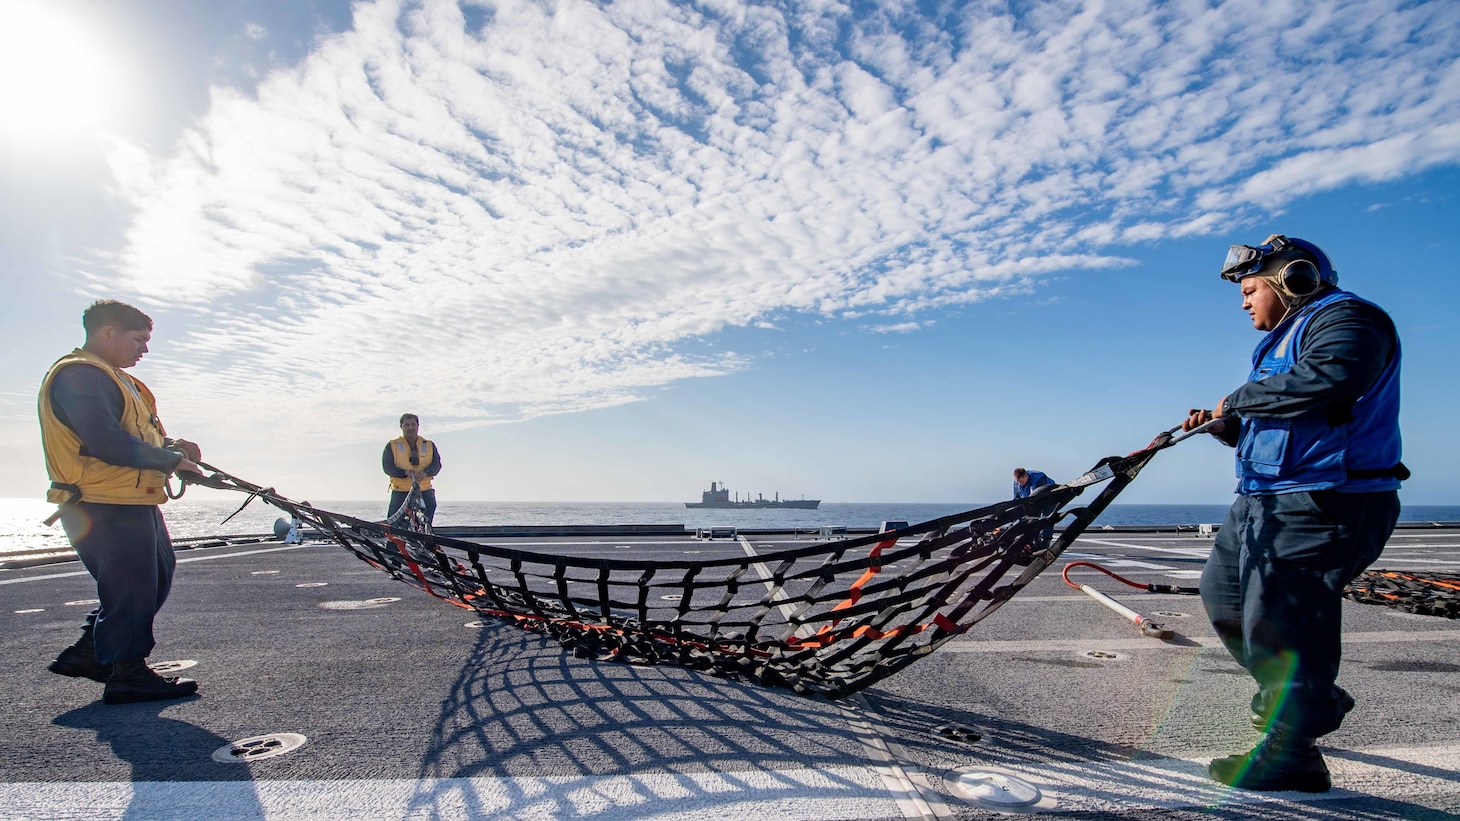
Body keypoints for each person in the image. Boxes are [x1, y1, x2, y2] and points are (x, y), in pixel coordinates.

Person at [1182, 234, 1405, 792]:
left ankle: (1292, 753)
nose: (1243, 301)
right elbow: (1287, 418)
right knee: (1227, 602)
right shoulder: (1281, 343)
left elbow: (1332, 381)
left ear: (1292, 278)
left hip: (1326, 500)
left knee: (1281, 622)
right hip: (1262, 500)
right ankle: (1312, 699)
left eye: (1250, 288)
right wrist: (1226, 427)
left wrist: (1234, 402)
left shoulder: (1348, 319)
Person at [38, 300, 204, 704]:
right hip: (101, 502)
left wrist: (171, 448)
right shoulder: (80, 376)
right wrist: (170, 459)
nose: (144, 349)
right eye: (138, 340)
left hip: (130, 497)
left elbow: (130, 435)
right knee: (131, 585)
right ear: (107, 332)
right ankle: (127, 674)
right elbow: (104, 441)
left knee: (154, 576)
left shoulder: (113, 378)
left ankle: (93, 652)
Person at [383, 413, 442, 525]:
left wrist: (426, 472)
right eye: (407, 425)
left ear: (418, 426)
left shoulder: (429, 445)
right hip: (401, 491)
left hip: (424, 489)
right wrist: (404, 472)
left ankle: (425, 540)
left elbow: (437, 464)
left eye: (413, 424)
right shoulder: (392, 445)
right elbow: (387, 467)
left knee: (426, 519)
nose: (410, 428)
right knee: (394, 523)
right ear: (401, 427)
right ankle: (393, 542)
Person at [1012, 468, 1058, 549]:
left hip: (1049, 497)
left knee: (1047, 518)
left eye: (1022, 482)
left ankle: (1045, 541)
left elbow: (1041, 498)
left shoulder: (1039, 479)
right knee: (1025, 518)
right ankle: (1032, 540)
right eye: (1018, 482)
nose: (1021, 484)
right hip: (1031, 501)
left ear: (1026, 476)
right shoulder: (1017, 483)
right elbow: (1017, 499)